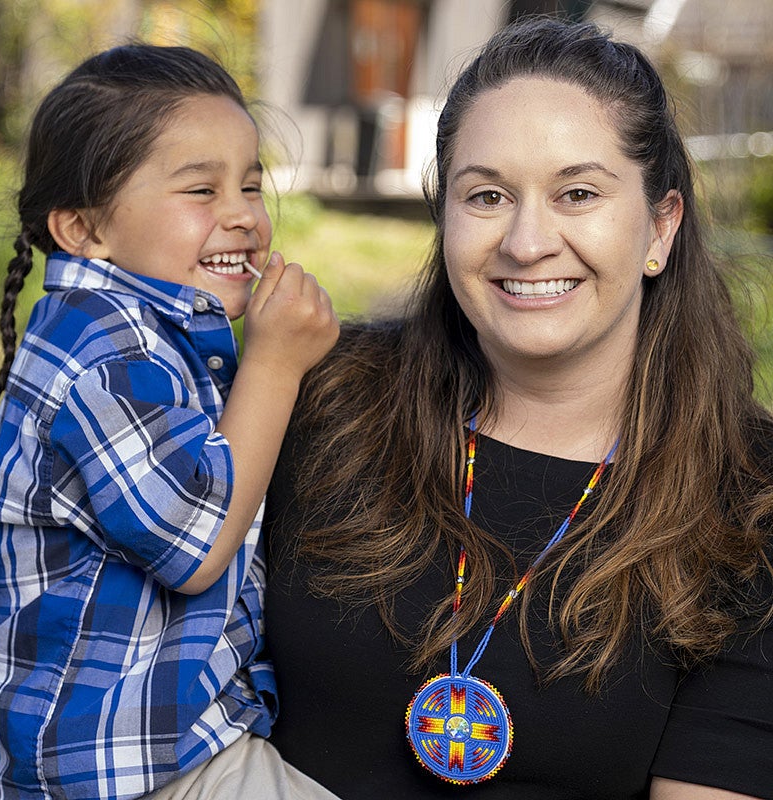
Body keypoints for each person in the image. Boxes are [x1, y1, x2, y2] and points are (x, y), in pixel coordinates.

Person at [262, 16, 773, 800]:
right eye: (488, 195)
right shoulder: (319, 397)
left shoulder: (752, 497)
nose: (528, 241)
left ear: (660, 227)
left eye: (577, 193)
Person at [0, 44, 341, 800]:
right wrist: (275, 363)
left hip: (166, 748)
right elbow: (197, 545)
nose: (244, 215)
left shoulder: (150, 334)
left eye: (250, 184)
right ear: (83, 229)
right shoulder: (99, 354)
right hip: (127, 768)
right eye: (201, 190)